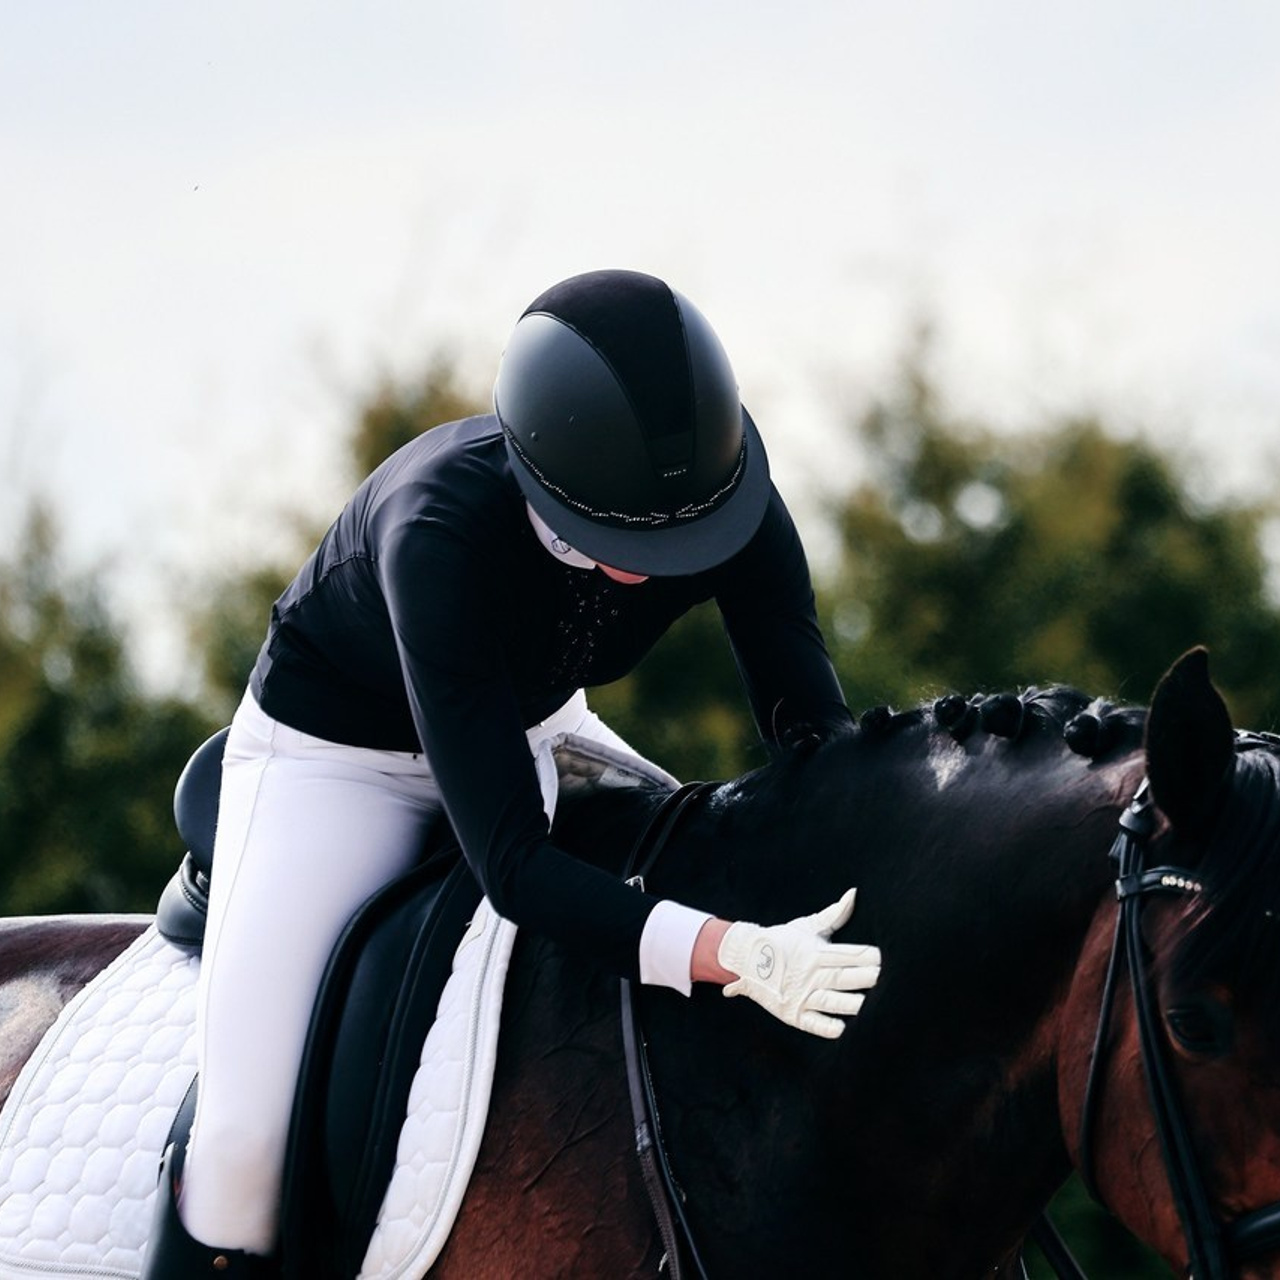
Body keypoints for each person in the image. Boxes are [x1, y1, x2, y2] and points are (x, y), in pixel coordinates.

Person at [140, 268, 882, 1277]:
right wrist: (731, 950)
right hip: (339, 762)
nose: (662, 565)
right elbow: (513, 865)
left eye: (685, 541)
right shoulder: (437, 527)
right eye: (626, 542)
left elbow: (810, 732)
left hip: (535, 723)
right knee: (240, 1148)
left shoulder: (721, 490)